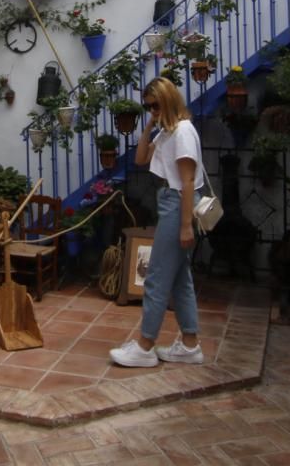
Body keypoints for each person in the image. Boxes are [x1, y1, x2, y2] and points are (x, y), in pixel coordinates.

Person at [109, 76, 204, 367]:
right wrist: (151, 125)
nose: (152, 110)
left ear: (168, 100)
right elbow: (140, 159)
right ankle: (190, 345)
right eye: (148, 107)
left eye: (155, 105)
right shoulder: (167, 133)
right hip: (171, 203)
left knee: (156, 278)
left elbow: (187, 182)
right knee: (179, 280)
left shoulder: (183, 132)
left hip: (178, 205)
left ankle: (145, 346)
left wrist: (186, 225)